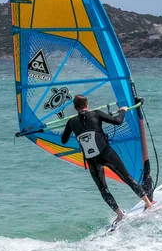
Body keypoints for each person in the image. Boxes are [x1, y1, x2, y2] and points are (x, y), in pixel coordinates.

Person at [61, 94, 153, 224]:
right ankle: (149, 205)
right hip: (105, 153)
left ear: (76, 108)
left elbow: (63, 140)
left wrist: (71, 126)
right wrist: (123, 110)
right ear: (87, 104)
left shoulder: (71, 122)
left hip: (91, 159)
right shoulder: (96, 114)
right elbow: (117, 121)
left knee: (103, 188)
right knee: (127, 177)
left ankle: (120, 214)